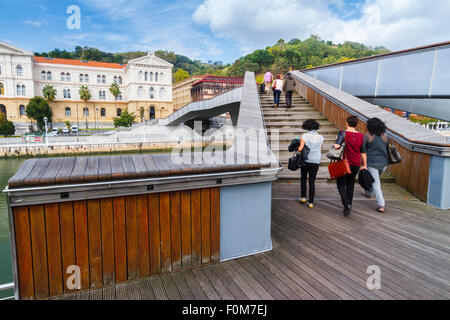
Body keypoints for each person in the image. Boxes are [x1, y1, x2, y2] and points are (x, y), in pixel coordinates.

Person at [334, 115, 367, 217]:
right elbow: (363, 152)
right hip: (356, 163)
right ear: (356, 125)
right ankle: (348, 206)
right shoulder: (361, 136)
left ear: (347, 123)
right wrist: (364, 164)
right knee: (350, 184)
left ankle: (346, 204)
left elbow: (337, 146)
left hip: (345, 163)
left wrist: (336, 141)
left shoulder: (343, 133)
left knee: (340, 184)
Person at [364, 118, 389, 213]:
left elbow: (363, 148)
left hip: (372, 163)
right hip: (384, 163)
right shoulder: (386, 135)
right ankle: (369, 191)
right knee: (375, 179)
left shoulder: (368, 136)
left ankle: (381, 204)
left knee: (376, 184)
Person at [298, 119, 324, 208]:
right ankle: (311, 202)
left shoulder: (304, 136)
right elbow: (320, 149)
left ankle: (303, 197)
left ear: (307, 126)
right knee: (312, 181)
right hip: (315, 161)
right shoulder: (321, 137)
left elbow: (300, 148)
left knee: (303, 178)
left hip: (305, 160)